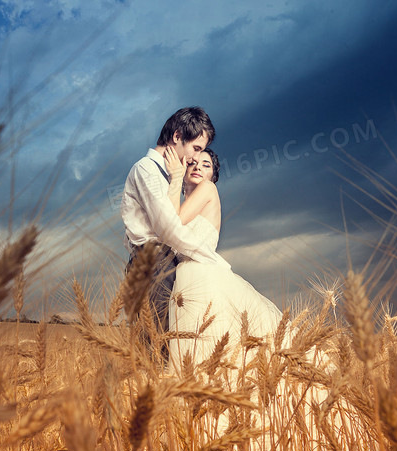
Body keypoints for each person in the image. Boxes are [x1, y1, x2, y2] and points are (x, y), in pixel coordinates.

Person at [120, 107, 229, 362]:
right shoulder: (147, 170)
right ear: (177, 136)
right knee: (156, 345)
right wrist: (211, 259)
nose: (195, 159)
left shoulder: (170, 175)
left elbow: (171, 222)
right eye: (196, 149)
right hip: (154, 261)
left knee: (164, 345)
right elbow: (168, 226)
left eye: (203, 155)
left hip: (166, 264)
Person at [162, 147, 283, 376]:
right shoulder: (182, 201)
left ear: (213, 176)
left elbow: (170, 221)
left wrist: (175, 177)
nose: (197, 167)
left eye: (206, 165)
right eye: (192, 163)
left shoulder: (208, 188)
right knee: (191, 356)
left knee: (205, 353)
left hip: (202, 279)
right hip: (185, 282)